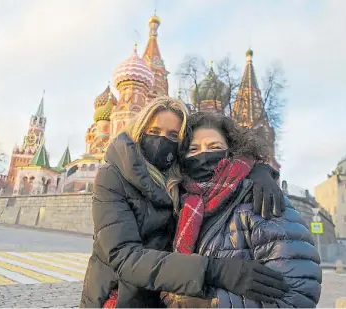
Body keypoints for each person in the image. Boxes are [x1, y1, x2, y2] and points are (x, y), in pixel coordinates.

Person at [80, 97, 288, 308]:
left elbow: (222, 170)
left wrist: (258, 171)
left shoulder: (180, 179)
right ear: (139, 131)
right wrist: (214, 271)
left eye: (173, 135)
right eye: (154, 132)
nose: (162, 141)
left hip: (163, 298)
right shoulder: (112, 176)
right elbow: (124, 257)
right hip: (120, 298)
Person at [161, 112, 321, 308]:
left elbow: (297, 296)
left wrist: (207, 304)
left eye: (215, 147)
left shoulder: (260, 198)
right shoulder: (180, 205)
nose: (203, 155)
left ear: (232, 151)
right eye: (193, 149)